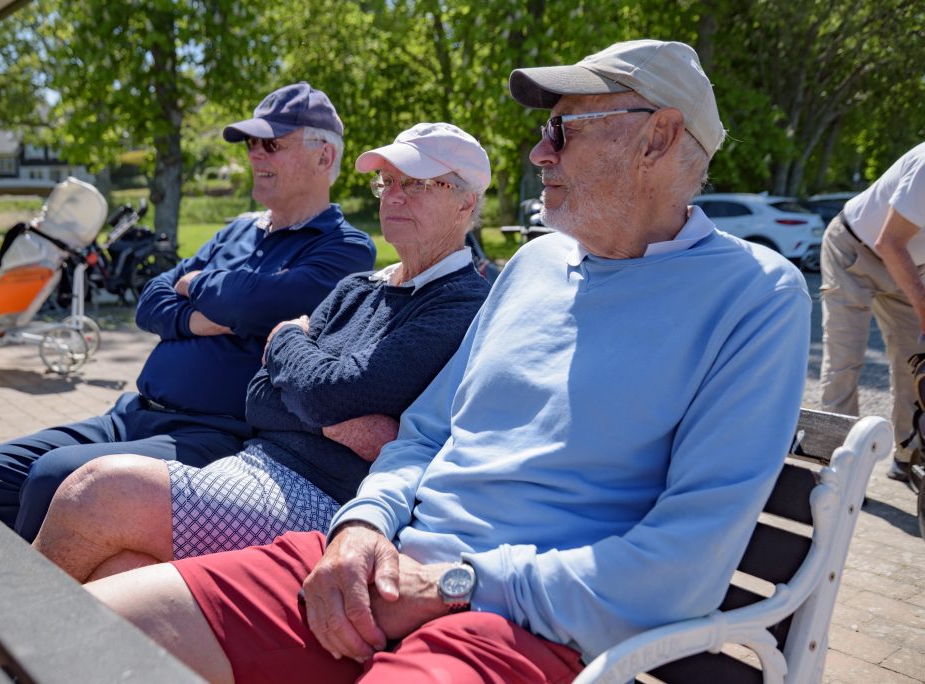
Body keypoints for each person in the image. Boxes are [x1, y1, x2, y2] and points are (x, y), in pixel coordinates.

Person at [86, 40, 811, 684]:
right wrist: (363, 525)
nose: (540, 153)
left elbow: (683, 566)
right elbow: (427, 434)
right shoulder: (533, 267)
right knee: (88, 633)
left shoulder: (756, 295)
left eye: (563, 129)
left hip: (519, 623)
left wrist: (454, 585)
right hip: (379, 567)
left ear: (659, 137)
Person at [32, 123, 492, 582]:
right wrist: (335, 418)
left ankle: (8, 626)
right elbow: (256, 397)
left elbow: (330, 392)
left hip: (325, 503)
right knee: (119, 569)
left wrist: (286, 339)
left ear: (465, 202)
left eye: (415, 184)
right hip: (252, 466)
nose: (392, 196)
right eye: (387, 182)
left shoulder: (460, 303)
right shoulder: (358, 287)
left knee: (98, 491)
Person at [0, 82, 377, 541]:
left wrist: (195, 284)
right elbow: (150, 299)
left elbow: (250, 302)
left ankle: (37, 584)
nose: (255, 154)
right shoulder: (236, 230)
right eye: (251, 144)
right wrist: (196, 319)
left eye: (272, 144)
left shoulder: (346, 248)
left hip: (214, 434)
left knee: (53, 477)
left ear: (324, 157)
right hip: (132, 413)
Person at [819, 142, 925, 482]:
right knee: (844, 361)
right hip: (853, 250)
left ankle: (909, 457)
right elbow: (889, 242)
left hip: (911, 266)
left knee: (914, 364)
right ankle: (839, 472)